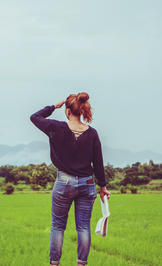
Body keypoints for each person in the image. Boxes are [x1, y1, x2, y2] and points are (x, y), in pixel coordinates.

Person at [30, 92, 110, 266]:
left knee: (58, 226)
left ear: (67, 110)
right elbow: (98, 162)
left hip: (64, 183)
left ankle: (54, 264)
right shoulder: (92, 133)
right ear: (81, 110)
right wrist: (103, 187)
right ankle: (81, 264)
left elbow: (34, 117)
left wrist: (53, 107)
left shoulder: (55, 127)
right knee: (83, 227)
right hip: (88, 183)